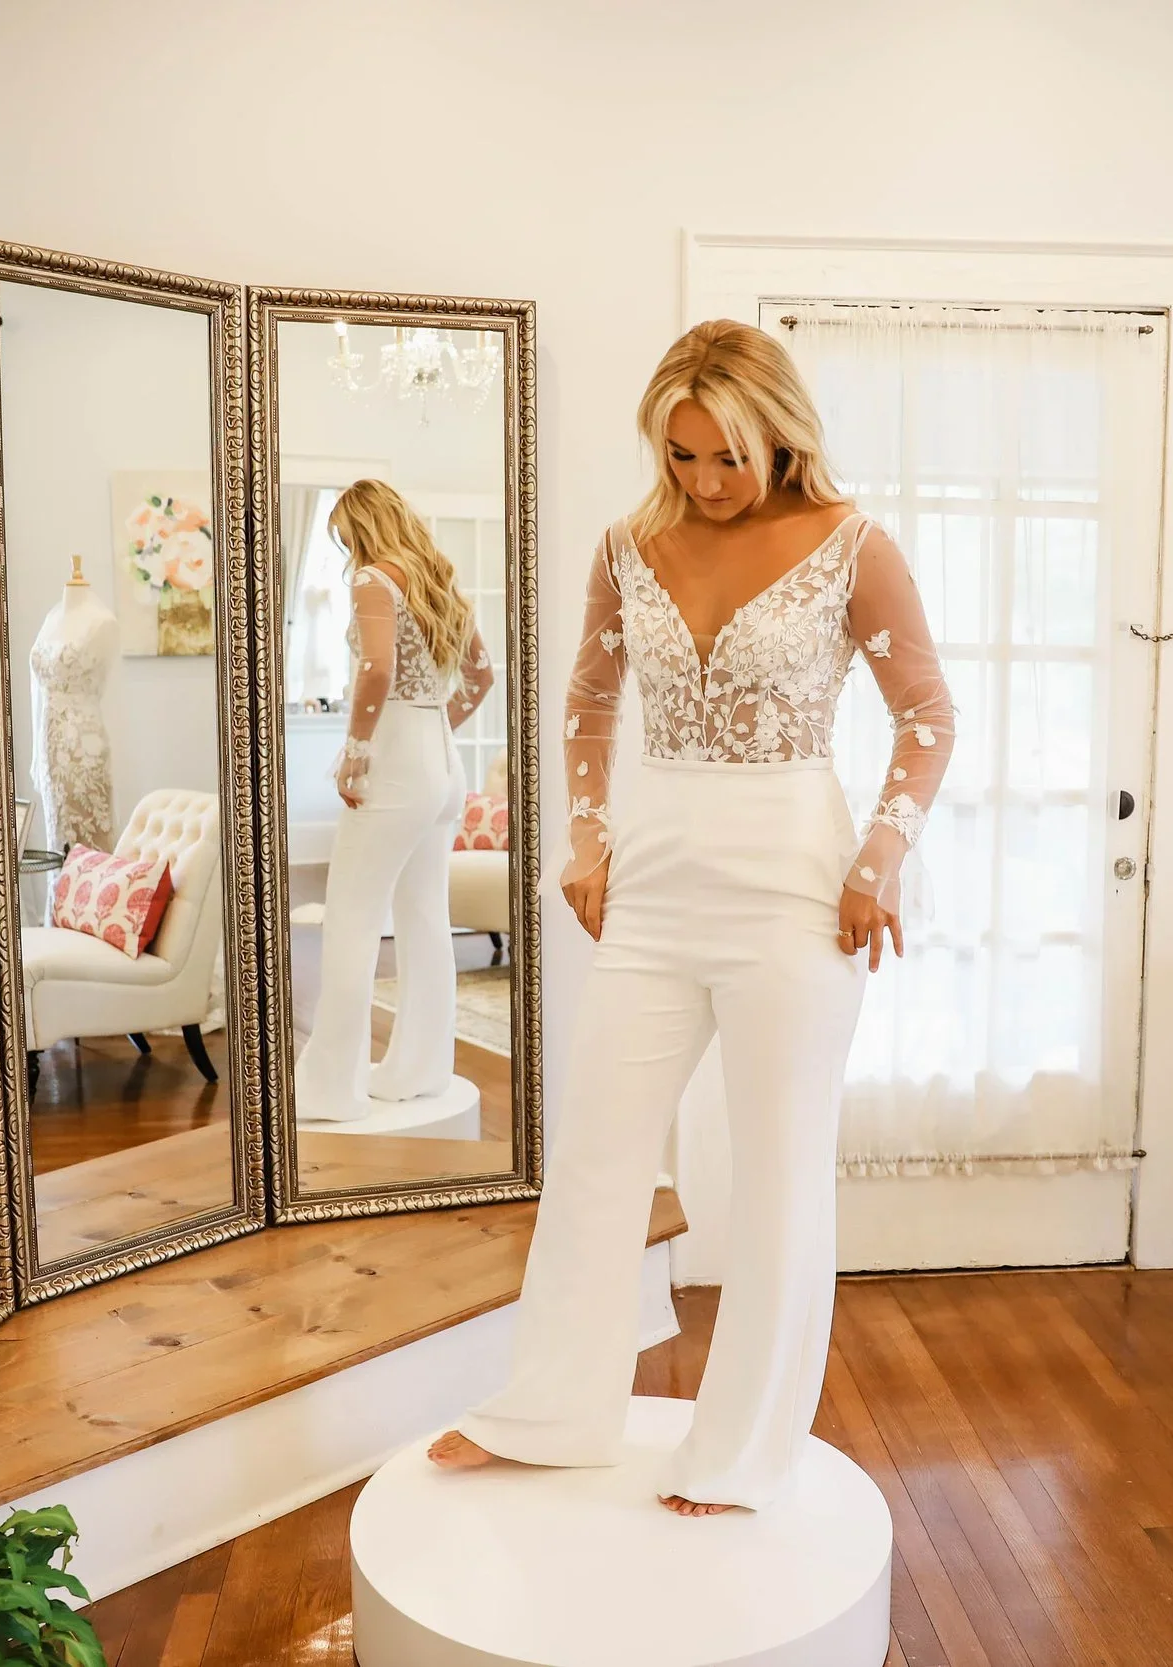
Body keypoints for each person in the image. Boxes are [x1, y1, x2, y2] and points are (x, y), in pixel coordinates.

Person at [429, 319, 954, 1513]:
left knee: (776, 1173)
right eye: (680, 457)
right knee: (598, 1148)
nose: (705, 484)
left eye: (728, 457)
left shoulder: (850, 544)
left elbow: (926, 717)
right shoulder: (628, 545)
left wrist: (879, 857)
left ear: (780, 437)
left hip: (798, 891)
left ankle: (742, 1451)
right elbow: (584, 699)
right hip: (658, 882)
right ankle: (552, 1410)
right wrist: (584, 834)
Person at [295, 479, 495, 1121]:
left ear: (361, 528)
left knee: (352, 917)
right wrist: (435, 728)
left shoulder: (373, 582)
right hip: (441, 759)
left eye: (345, 535)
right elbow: (481, 677)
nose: (345, 548)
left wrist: (358, 748)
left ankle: (332, 1088)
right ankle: (421, 1070)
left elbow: (376, 670)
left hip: (398, 760)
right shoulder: (439, 579)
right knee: (424, 918)